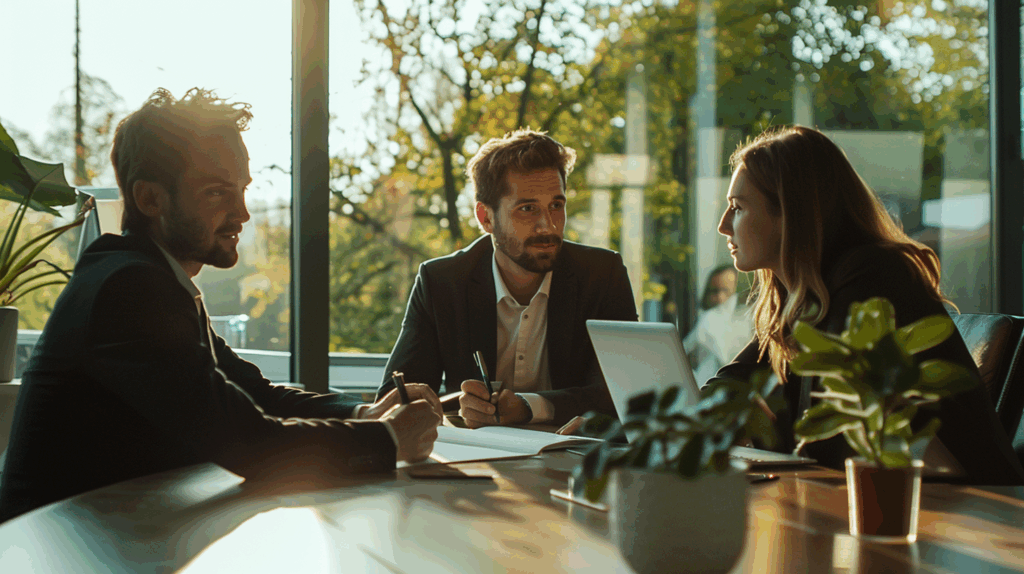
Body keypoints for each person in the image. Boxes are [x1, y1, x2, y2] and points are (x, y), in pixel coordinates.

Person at [0, 88, 442, 523]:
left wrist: (361, 412)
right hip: (52, 549)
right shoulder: (129, 287)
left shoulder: (150, 277)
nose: (243, 213)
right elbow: (248, 442)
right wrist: (387, 439)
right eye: (217, 192)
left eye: (243, 190)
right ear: (150, 198)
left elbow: (254, 392)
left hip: (118, 535)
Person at [711, 125, 1024, 485]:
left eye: (737, 208)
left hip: (974, 514)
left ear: (790, 213)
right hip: (902, 506)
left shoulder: (872, 277)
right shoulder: (805, 300)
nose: (723, 226)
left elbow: (836, 436)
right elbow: (731, 384)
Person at [378, 129, 638, 428]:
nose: (548, 225)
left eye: (556, 205)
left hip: (576, 458)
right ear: (485, 218)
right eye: (528, 209)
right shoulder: (441, 282)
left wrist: (529, 407)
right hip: (478, 459)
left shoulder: (602, 274)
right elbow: (394, 399)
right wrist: (454, 404)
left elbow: (624, 392)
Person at [683, 265, 752, 387]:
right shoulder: (705, 322)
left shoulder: (749, 322)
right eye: (715, 291)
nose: (720, 297)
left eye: (726, 291)